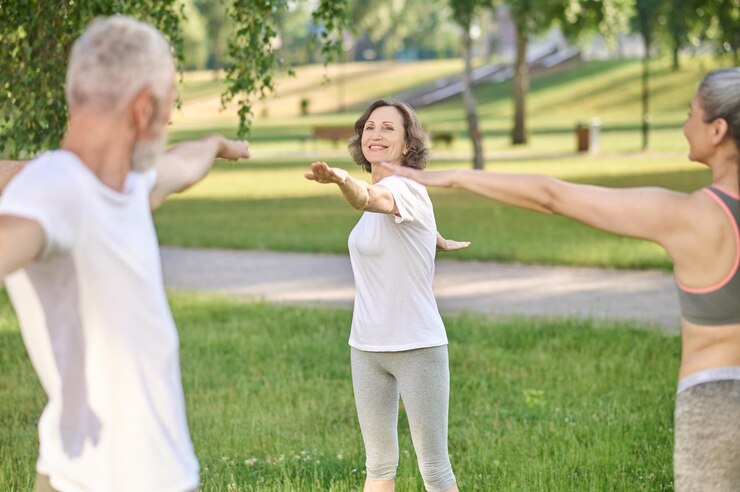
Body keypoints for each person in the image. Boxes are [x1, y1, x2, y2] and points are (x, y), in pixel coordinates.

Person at [381, 68, 740, 491]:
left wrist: (448, 177)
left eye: (690, 113)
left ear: (717, 130)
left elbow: (553, 196)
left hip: (716, 406)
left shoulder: (694, 219)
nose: (684, 125)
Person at [0, 16, 250, 492]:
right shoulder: (56, 190)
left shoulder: (126, 184)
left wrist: (217, 145)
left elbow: (179, 165)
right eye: (170, 103)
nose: (169, 117)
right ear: (143, 109)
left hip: (152, 474)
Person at [304, 99, 466, 492]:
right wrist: (436, 239)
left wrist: (343, 181)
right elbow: (394, 226)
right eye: (370, 127)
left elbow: (371, 200)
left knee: (435, 469)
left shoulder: (404, 188)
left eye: (388, 128)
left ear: (407, 144)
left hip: (417, 346)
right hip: (366, 346)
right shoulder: (393, 194)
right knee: (377, 466)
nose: (375, 134)